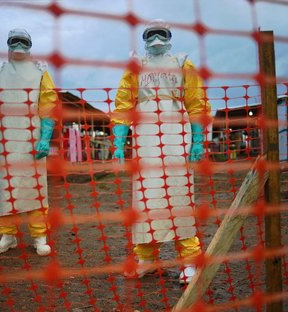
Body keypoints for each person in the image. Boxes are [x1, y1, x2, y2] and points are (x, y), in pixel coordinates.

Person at [112, 19, 211, 284]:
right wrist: (119, 143)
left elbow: (196, 103)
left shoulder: (182, 64)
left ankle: (189, 258)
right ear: (144, 39)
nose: (156, 38)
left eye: (161, 33)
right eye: (150, 34)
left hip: (176, 133)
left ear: (169, 36)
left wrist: (199, 140)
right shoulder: (135, 67)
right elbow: (123, 104)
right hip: (145, 136)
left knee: (179, 194)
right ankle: (146, 257)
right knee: (145, 197)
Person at [0, 28, 58, 256]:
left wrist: (45, 138)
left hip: (32, 138)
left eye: (23, 41)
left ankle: (39, 235)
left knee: (35, 188)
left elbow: (48, 105)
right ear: (8, 43)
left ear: (30, 44)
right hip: (7, 139)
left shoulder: (40, 71)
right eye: (14, 41)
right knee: (7, 188)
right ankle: (8, 235)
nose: (19, 45)